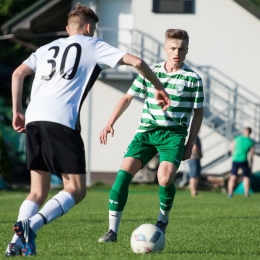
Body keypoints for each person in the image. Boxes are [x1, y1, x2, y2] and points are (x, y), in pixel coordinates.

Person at [5, 3, 170, 257]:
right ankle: (31, 227)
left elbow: (17, 73)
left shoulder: (45, 48)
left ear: (67, 28)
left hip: (34, 119)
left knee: (37, 190)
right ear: (90, 27)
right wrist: (158, 86)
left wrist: (18, 110)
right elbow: (136, 61)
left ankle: (15, 243)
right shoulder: (94, 45)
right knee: (76, 189)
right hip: (61, 121)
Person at [98, 28, 204, 243]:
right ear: (166, 48)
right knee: (122, 176)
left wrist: (189, 144)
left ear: (186, 50)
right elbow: (127, 98)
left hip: (173, 135)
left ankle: (163, 220)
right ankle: (112, 232)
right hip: (146, 133)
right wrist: (109, 122)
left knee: (164, 179)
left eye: (182, 49)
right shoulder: (150, 72)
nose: (177, 53)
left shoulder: (193, 79)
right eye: (173, 48)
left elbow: (198, 113)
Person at [227, 127, 254, 198]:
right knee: (246, 177)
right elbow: (251, 155)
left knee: (233, 177)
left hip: (235, 160)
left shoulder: (237, 138)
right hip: (244, 160)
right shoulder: (250, 142)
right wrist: (251, 165)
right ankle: (246, 194)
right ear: (250, 133)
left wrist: (234, 156)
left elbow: (231, 149)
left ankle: (230, 193)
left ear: (245, 131)